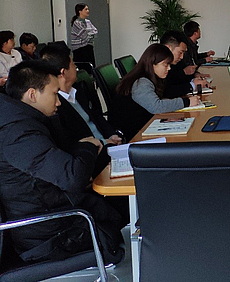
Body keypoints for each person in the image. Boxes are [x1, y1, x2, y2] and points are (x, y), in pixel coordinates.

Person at [0, 60, 125, 264]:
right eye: (54, 94)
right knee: (125, 206)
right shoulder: (18, 134)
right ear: (32, 94)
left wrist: (82, 150)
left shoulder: (23, 121)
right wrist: (88, 147)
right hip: (50, 235)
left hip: (58, 216)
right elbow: (72, 178)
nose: (58, 102)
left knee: (120, 202)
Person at [41, 46, 123, 176]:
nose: (76, 68)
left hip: (109, 147)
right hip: (93, 157)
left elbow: (96, 115)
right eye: (73, 65)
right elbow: (70, 143)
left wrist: (112, 134)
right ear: (63, 72)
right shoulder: (55, 106)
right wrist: (103, 142)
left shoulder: (78, 90)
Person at [109, 44, 200, 139]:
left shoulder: (149, 77)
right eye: (165, 65)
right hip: (131, 135)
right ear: (152, 64)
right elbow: (156, 107)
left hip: (142, 125)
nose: (169, 68)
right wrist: (187, 102)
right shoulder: (141, 82)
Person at [160, 30, 209, 98]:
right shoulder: (157, 65)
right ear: (168, 48)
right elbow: (165, 92)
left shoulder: (175, 63)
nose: (182, 57)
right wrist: (192, 85)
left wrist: (196, 79)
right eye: (180, 52)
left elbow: (179, 79)